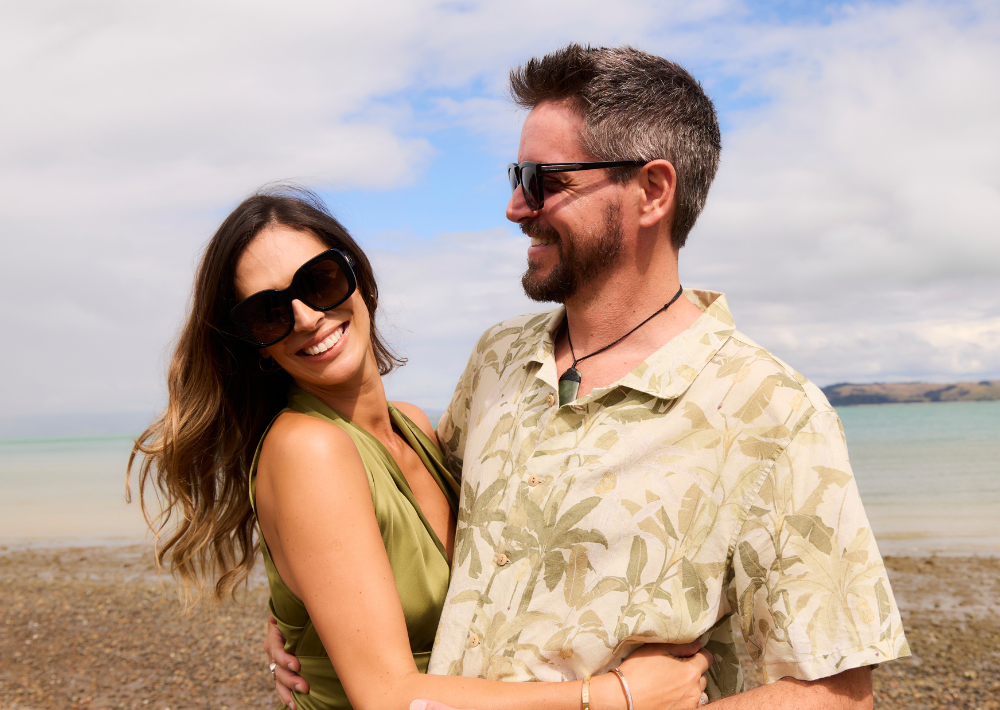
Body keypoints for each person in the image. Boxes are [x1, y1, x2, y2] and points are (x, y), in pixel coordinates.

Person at [269, 44, 909, 709]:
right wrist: (306, 610)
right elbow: (415, 533)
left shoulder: (772, 412)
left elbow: (838, 692)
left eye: (543, 180)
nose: (515, 207)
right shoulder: (497, 358)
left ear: (652, 191)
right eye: (515, 176)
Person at [129, 187, 712, 710]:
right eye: (268, 313)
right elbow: (387, 697)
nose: (306, 318)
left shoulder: (413, 425)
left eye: (319, 282)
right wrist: (616, 696)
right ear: (255, 344)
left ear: (357, 276)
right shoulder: (308, 450)